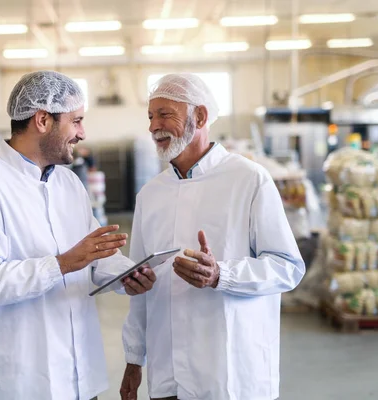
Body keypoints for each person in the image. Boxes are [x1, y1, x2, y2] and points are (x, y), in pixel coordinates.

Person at [0, 71, 157, 400]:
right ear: (43, 120)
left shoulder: (68, 184)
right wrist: (59, 264)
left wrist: (125, 275)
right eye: (76, 121)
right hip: (21, 381)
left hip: (77, 377)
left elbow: (93, 257)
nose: (82, 133)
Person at [120, 73, 305, 400]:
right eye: (150, 116)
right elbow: (141, 284)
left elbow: (287, 266)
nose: (153, 127)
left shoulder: (248, 180)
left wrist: (222, 275)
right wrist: (134, 359)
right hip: (168, 376)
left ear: (200, 116)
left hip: (230, 374)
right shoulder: (150, 194)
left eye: (165, 114)